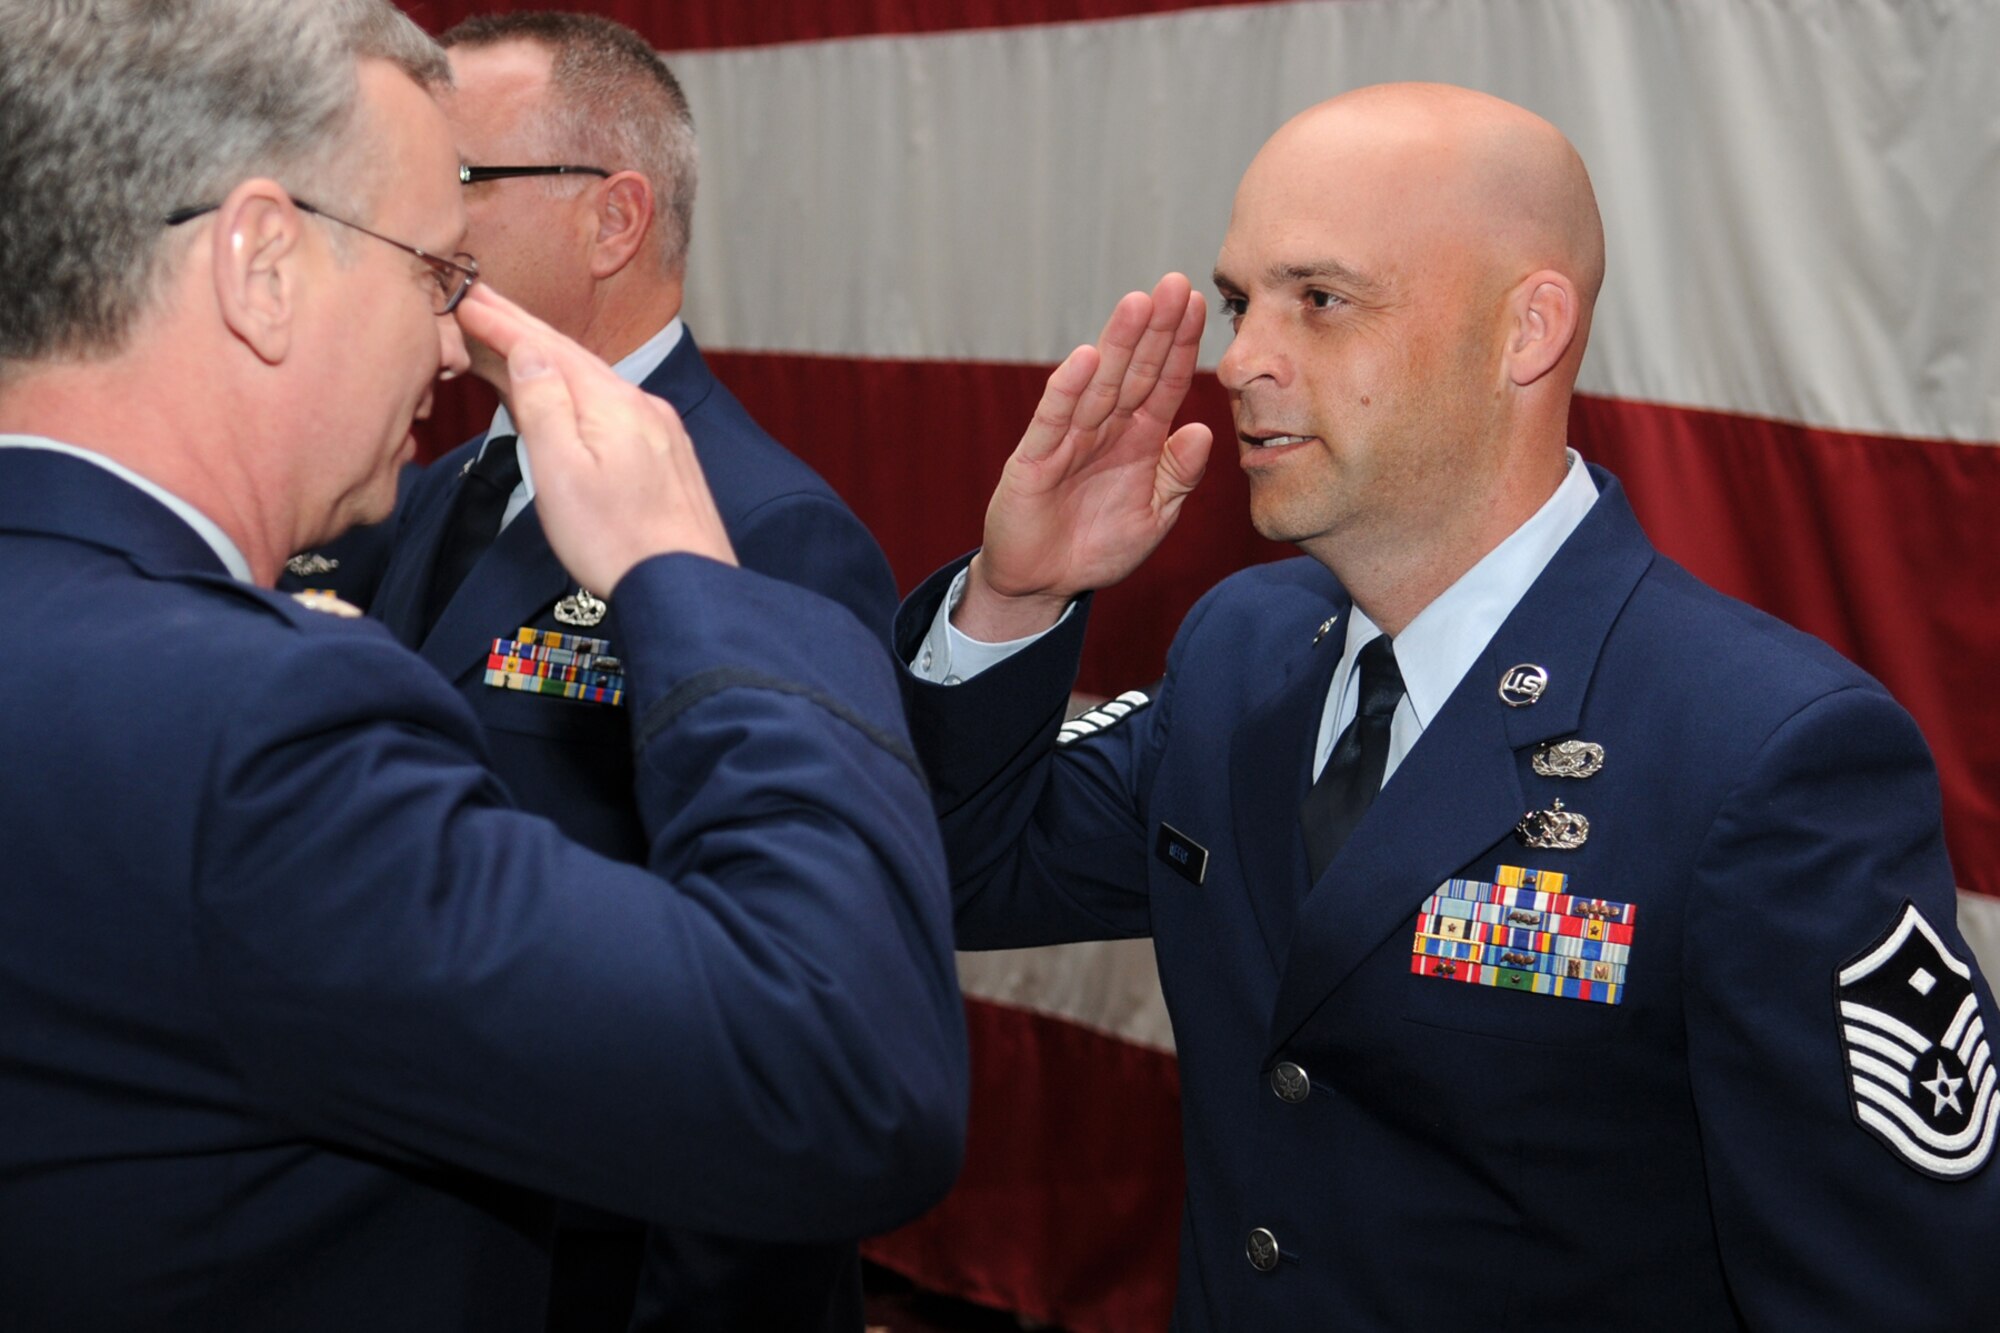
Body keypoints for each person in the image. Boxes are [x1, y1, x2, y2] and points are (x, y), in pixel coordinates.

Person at [896, 83, 1998, 1329]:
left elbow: (1894, 1290)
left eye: (1318, 299)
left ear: (1525, 331)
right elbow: (945, 870)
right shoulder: (1241, 657)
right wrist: (1013, 594)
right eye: (1238, 301)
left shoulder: (1764, 752)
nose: (1241, 358)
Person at [0, 4, 966, 1331]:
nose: (454, 340)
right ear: (261, 265)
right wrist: (691, 584)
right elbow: (846, 1079)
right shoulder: (260, 726)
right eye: (423, 267)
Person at [353, 15, 904, 1330]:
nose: (419, 221)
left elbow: (787, 1001)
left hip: (618, 1265)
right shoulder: (433, 487)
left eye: (462, 180)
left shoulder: (763, 527)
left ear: (612, 222)